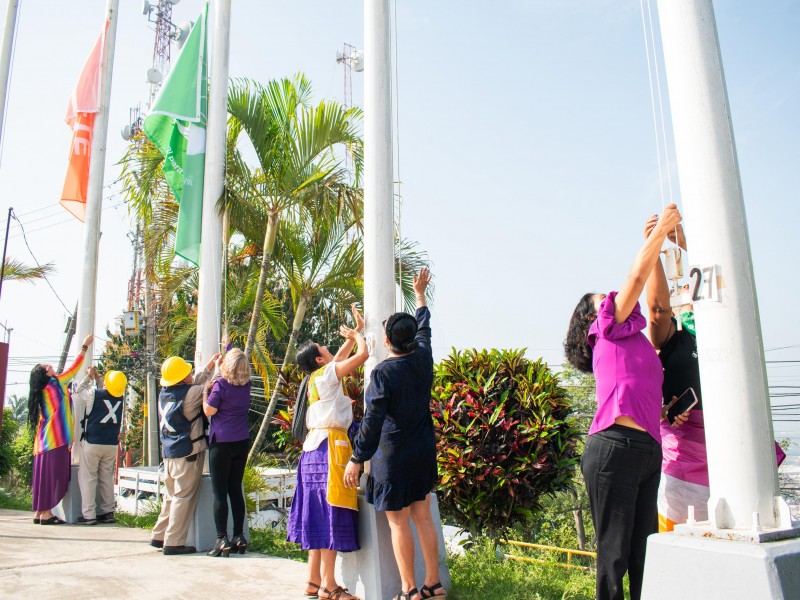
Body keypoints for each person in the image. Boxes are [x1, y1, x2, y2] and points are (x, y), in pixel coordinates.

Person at [563, 204, 682, 600]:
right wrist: (655, 234)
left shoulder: (637, 341)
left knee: (643, 554)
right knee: (613, 558)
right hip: (614, 447)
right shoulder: (605, 330)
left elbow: (659, 305)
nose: (612, 297)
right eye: (603, 299)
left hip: (647, 450)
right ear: (591, 320)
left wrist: (661, 248)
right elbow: (635, 276)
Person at [344, 267, 447, 600]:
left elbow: (372, 420)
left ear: (386, 341)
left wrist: (357, 458)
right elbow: (426, 327)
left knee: (399, 523)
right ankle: (434, 584)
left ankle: (409, 590)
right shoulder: (424, 359)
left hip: (392, 454)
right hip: (422, 450)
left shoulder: (383, 372)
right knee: (423, 517)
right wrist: (419, 295)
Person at [287, 304, 368, 600]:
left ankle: (313, 581)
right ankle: (329, 586)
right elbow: (361, 357)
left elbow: (341, 357)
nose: (329, 348)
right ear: (320, 358)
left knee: (316, 514)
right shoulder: (329, 372)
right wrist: (361, 339)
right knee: (331, 513)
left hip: (312, 452)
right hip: (330, 451)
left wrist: (355, 331)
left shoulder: (315, 378)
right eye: (324, 347)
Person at [643, 219, 708, 532]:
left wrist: (686, 242)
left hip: (739, 451)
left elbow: (729, 283)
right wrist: (654, 246)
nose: (687, 295)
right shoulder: (673, 338)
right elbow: (657, 310)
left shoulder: (730, 333)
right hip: (683, 468)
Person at [150, 353, 220, 555]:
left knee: (170, 496)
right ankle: (173, 542)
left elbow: (194, 383)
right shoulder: (192, 394)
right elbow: (208, 385)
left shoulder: (165, 393)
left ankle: (159, 534)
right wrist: (217, 368)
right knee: (183, 496)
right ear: (182, 378)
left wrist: (208, 365)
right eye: (187, 372)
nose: (191, 374)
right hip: (187, 452)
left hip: (169, 452)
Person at [27, 333, 94, 525]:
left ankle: (40, 511)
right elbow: (73, 369)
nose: (50, 366)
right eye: (46, 367)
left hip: (42, 441)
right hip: (56, 440)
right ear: (45, 374)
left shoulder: (41, 391)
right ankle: (47, 513)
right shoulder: (55, 384)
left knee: (42, 477)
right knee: (54, 476)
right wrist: (84, 346)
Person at [203, 348, 252, 557]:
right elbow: (236, 360)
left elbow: (209, 410)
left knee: (220, 492)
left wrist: (207, 390)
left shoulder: (220, 385)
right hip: (241, 441)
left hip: (221, 442)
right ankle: (239, 536)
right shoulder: (247, 385)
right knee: (235, 490)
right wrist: (226, 347)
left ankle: (221, 538)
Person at [73, 366, 128, 525]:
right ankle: (107, 512)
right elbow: (107, 389)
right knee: (106, 478)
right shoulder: (120, 397)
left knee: (88, 478)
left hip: (92, 442)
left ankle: (89, 515)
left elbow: (80, 390)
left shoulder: (93, 394)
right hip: (110, 444)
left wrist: (89, 376)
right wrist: (97, 379)